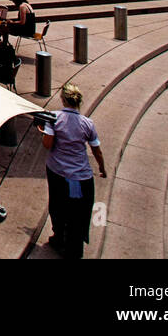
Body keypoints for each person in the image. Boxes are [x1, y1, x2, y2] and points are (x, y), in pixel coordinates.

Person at [39, 83, 107, 259]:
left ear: (62, 99)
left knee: (58, 206)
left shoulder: (54, 118)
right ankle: (75, 247)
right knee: (79, 214)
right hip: (82, 176)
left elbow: (48, 144)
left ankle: (59, 236)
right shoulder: (88, 124)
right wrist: (101, 167)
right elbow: (96, 150)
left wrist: (43, 132)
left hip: (58, 173)